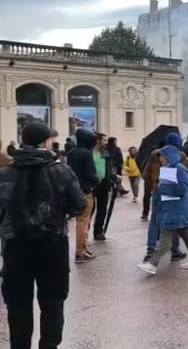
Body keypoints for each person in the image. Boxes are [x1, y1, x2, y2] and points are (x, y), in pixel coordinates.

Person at [0, 123, 86, 349]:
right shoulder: (61, 171)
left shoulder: (5, 174)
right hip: (52, 244)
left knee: (17, 304)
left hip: (15, 245)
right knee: (53, 302)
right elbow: (79, 205)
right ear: (45, 142)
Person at [137, 138, 188, 275]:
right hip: (173, 208)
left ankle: (153, 264)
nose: (160, 159)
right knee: (184, 233)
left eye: (163, 157)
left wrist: (163, 188)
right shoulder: (168, 169)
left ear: (169, 157)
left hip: (176, 209)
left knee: (165, 235)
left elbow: (183, 188)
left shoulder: (179, 169)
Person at [141, 137, 188, 264]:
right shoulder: (181, 155)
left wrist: (153, 186)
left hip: (157, 191)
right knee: (173, 221)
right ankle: (175, 250)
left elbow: (145, 174)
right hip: (172, 192)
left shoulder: (154, 154)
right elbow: (186, 175)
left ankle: (150, 250)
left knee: (155, 221)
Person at [66, 128, 100, 263]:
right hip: (85, 191)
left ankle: (83, 248)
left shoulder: (72, 152)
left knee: (80, 221)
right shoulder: (86, 153)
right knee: (83, 221)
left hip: (74, 190)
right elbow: (90, 174)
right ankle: (81, 251)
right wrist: (97, 180)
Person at [91, 133, 115, 241]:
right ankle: (84, 231)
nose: (106, 143)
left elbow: (110, 166)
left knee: (102, 209)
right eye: (104, 140)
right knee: (90, 208)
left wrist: (113, 176)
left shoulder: (105, 152)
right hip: (92, 184)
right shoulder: (89, 153)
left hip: (104, 184)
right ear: (97, 141)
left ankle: (98, 231)